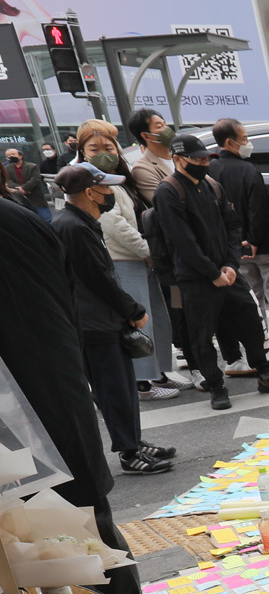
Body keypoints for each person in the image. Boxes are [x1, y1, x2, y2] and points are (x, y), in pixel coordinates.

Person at [0, 194, 162, 594]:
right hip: (61, 390)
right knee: (91, 522)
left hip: (16, 411)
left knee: (39, 537)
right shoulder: (25, 219)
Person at [151, 134, 269, 408]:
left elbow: (233, 227)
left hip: (228, 271)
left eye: (205, 158)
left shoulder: (212, 185)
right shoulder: (168, 191)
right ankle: (216, 386)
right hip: (196, 277)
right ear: (177, 159)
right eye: (196, 159)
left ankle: (267, 373)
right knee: (201, 334)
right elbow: (182, 241)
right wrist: (212, 273)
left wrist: (231, 265)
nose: (203, 163)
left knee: (253, 322)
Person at [50, 162, 173, 476]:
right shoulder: (74, 227)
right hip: (96, 324)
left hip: (101, 320)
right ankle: (129, 453)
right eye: (105, 188)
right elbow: (98, 279)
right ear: (90, 192)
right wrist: (133, 311)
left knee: (122, 387)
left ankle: (133, 441)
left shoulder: (79, 221)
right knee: (113, 389)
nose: (110, 193)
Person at [73, 119, 171, 399]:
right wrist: (147, 251)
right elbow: (114, 224)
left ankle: (156, 374)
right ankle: (142, 382)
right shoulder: (88, 180)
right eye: (94, 148)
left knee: (155, 321)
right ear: (83, 151)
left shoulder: (118, 177)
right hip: (123, 260)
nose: (104, 152)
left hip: (138, 259)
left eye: (109, 146)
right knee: (136, 322)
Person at [209, 118, 269, 364]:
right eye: (244, 139)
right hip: (265, 244)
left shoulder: (210, 171)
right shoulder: (248, 169)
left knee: (251, 299)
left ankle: (259, 348)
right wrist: (253, 238)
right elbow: (258, 208)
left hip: (233, 247)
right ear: (230, 142)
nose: (247, 143)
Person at [123, 108, 175, 204]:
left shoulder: (182, 156)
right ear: (146, 136)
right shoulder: (142, 169)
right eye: (160, 127)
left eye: (165, 125)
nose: (167, 129)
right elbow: (165, 203)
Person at [5, 143, 50, 220]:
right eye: (8, 155)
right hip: (20, 199)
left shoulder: (32, 166)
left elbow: (35, 179)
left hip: (36, 197)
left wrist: (25, 188)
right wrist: (20, 190)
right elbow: (8, 181)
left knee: (46, 219)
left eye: (13, 154)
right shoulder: (6, 169)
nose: (11, 156)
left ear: (20, 156)